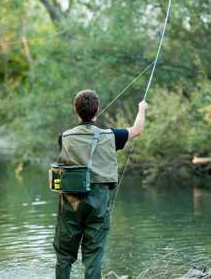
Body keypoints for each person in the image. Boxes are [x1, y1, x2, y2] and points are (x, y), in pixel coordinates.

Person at [53, 89, 148, 279]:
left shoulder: (64, 137)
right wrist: (142, 109)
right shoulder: (111, 135)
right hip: (99, 201)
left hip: (70, 202)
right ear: (97, 109)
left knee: (64, 256)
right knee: (93, 256)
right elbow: (137, 130)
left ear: (76, 111)